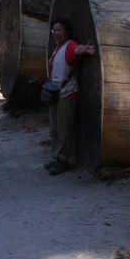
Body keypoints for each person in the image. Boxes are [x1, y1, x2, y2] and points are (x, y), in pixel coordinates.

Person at [45, 17, 95, 176]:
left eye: (59, 30)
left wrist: (85, 49)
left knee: (64, 128)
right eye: (54, 30)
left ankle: (63, 160)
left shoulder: (69, 45)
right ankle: (57, 157)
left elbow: (77, 49)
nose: (56, 33)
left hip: (67, 93)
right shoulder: (57, 48)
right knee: (56, 127)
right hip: (56, 92)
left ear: (67, 31)